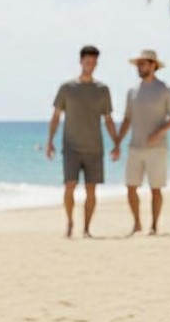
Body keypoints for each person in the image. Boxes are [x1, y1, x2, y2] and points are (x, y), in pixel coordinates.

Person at [46, 45, 119, 238]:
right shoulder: (67, 88)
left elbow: (108, 119)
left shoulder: (102, 90)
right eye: (87, 62)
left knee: (91, 190)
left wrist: (116, 142)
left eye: (94, 62)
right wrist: (50, 141)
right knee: (69, 185)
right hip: (71, 147)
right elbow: (56, 116)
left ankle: (86, 228)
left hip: (94, 148)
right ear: (81, 62)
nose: (90, 65)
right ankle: (70, 222)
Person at [114, 49, 170, 235]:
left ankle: (154, 226)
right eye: (138, 64)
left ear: (153, 65)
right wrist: (117, 142)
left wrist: (158, 133)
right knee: (130, 188)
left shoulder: (165, 90)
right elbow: (127, 119)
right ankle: (137, 224)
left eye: (142, 64)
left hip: (157, 148)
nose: (139, 67)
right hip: (135, 147)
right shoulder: (132, 92)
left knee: (155, 189)